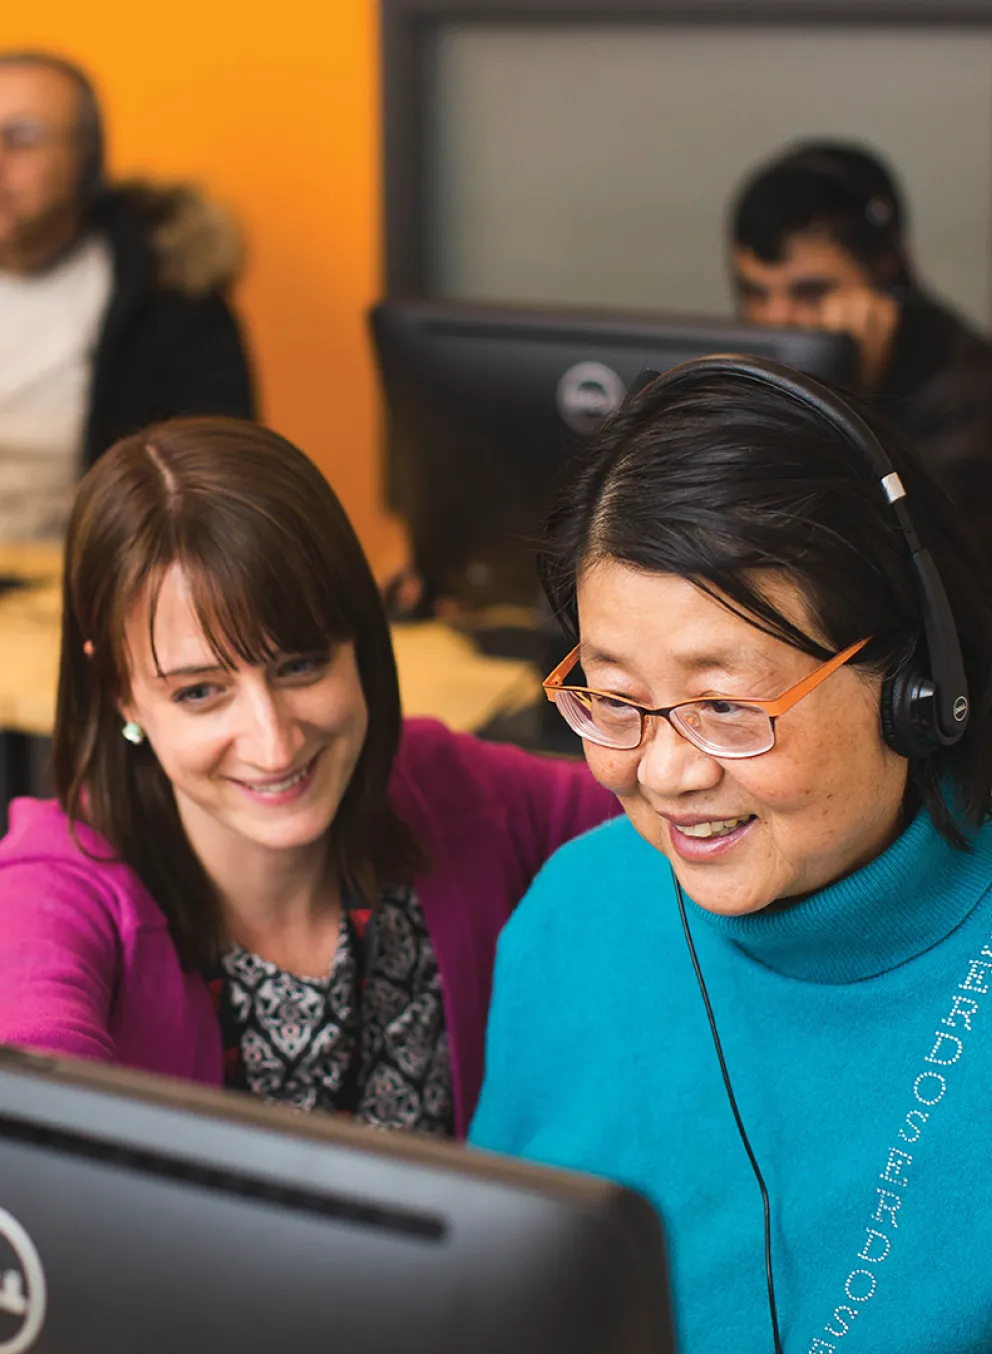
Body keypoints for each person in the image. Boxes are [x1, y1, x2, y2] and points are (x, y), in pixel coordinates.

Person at [470, 357, 992, 1352]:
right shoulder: (571, 917)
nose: (662, 774)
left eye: (724, 706)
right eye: (613, 700)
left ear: (913, 684)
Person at [0, 417, 616, 1138]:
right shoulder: (59, 882)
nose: (273, 743)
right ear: (120, 691)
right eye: (200, 692)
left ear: (361, 642)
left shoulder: (447, 790)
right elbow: (31, 1098)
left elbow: (659, 806)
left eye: (300, 665)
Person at [0, 51, 254, 540]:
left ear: (86, 159)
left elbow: (224, 490)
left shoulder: (169, 296)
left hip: (88, 576)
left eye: (23, 138)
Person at [730, 140, 992, 571]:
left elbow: (922, 578)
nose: (775, 318)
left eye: (810, 291)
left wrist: (845, 399)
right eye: (754, 293)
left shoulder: (969, 397)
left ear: (886, 275)